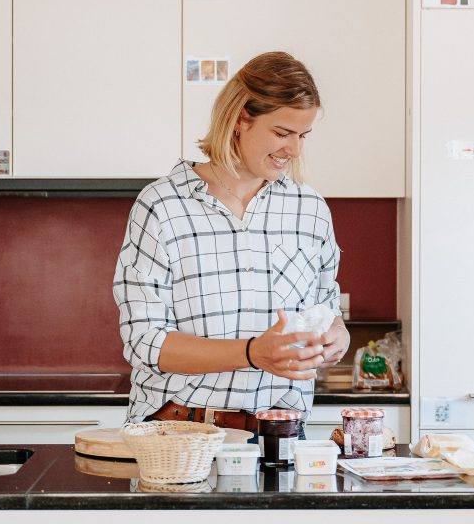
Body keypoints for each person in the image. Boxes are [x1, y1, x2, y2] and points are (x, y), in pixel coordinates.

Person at [114, 51, 350, 432]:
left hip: (281, 435)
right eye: (282, 133)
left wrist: (337, 333)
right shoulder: (163, 206)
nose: (295, 150)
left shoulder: (310, 209)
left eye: (303, 135)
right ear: (240, 119)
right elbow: (146, 342)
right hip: (179, 434)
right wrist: (252, 353)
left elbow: (325, 305)